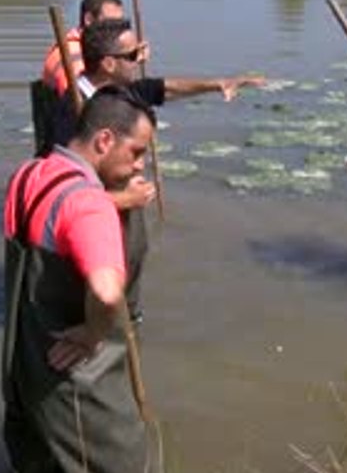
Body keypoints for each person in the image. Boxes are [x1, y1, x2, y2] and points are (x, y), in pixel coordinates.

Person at [45, 18, 264, 325]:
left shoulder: (120, 95)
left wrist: (218, 83)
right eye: (133, 55)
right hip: (92, 229)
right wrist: (123, 200)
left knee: (126, 289)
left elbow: (165, 88)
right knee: (96, 301)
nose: (140, 61)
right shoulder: (74, 111)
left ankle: (126, 322)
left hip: (120, 212)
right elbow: (56, 202)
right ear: (108, 63)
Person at [2, 87, 163, 473]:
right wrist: (93, 334)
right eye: (137, 151)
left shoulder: (28, 174)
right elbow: (107, 293)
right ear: (104, 140)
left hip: (25, 363)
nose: (139, 166)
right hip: (76, 379)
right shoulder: (90, 206)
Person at [40, 0, 144, 97]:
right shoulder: (72, 54)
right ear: (88, 19)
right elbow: (80, 99)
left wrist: (130, 57)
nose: (119, 29)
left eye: (120, 23)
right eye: (112, 23)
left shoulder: (84, 46)